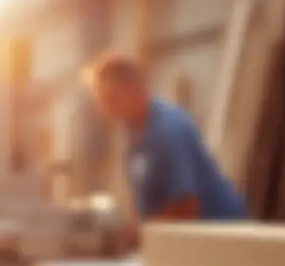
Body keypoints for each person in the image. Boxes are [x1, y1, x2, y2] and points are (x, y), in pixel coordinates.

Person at [82, 52, 248, 240]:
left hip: (218, 237)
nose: (105, 109)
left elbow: (186, 207)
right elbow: (144, 200)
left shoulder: (168, 130)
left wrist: (140, 234)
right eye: (102, 100)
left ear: (134, 89)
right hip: (177, 238)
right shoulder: (131, 131)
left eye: (110, 98)